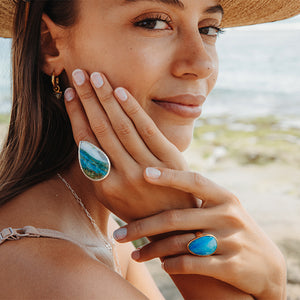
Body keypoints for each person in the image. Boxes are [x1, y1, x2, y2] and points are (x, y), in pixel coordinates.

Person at [0, 0, 299, 299]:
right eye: (154, 22)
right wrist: (179, 232)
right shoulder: (57, 277)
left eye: (208, 29)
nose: (201, 64)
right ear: (49, 43)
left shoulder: (104, 237)